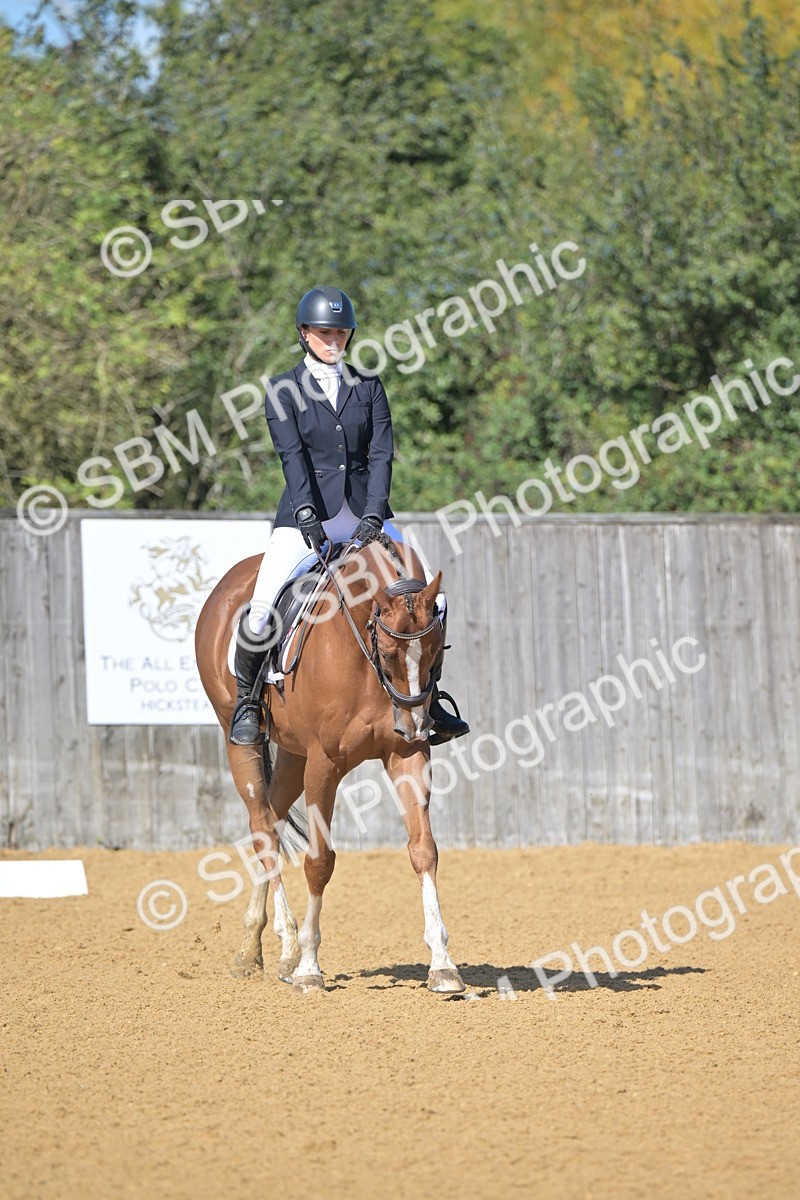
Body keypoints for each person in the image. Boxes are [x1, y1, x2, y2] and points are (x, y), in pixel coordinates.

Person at [229, 285, 469, 748]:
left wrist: (375, 514)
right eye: (324, 333)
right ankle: (248, 704)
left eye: (341, 333)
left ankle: (430, 697)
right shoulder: (283, 389)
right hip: (306, 518)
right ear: (304, 334)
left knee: (431, 603)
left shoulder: (369, 386)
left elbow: (381, 455)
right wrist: (304, 513)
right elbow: (291, 456)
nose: (333, 341)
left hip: (365, 515)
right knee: (260, 615)